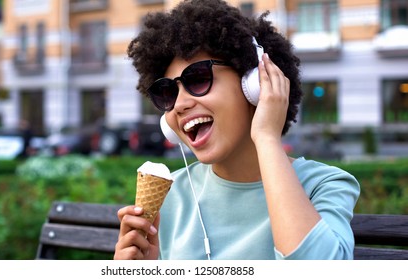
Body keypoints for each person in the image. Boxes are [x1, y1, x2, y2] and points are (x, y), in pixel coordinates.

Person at [115, 0, 360, 260]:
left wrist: (267, 137)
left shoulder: (324, 185)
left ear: (254, 84)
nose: (180, 104)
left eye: (198, 79)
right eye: (167, 93)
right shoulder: (171, 194)